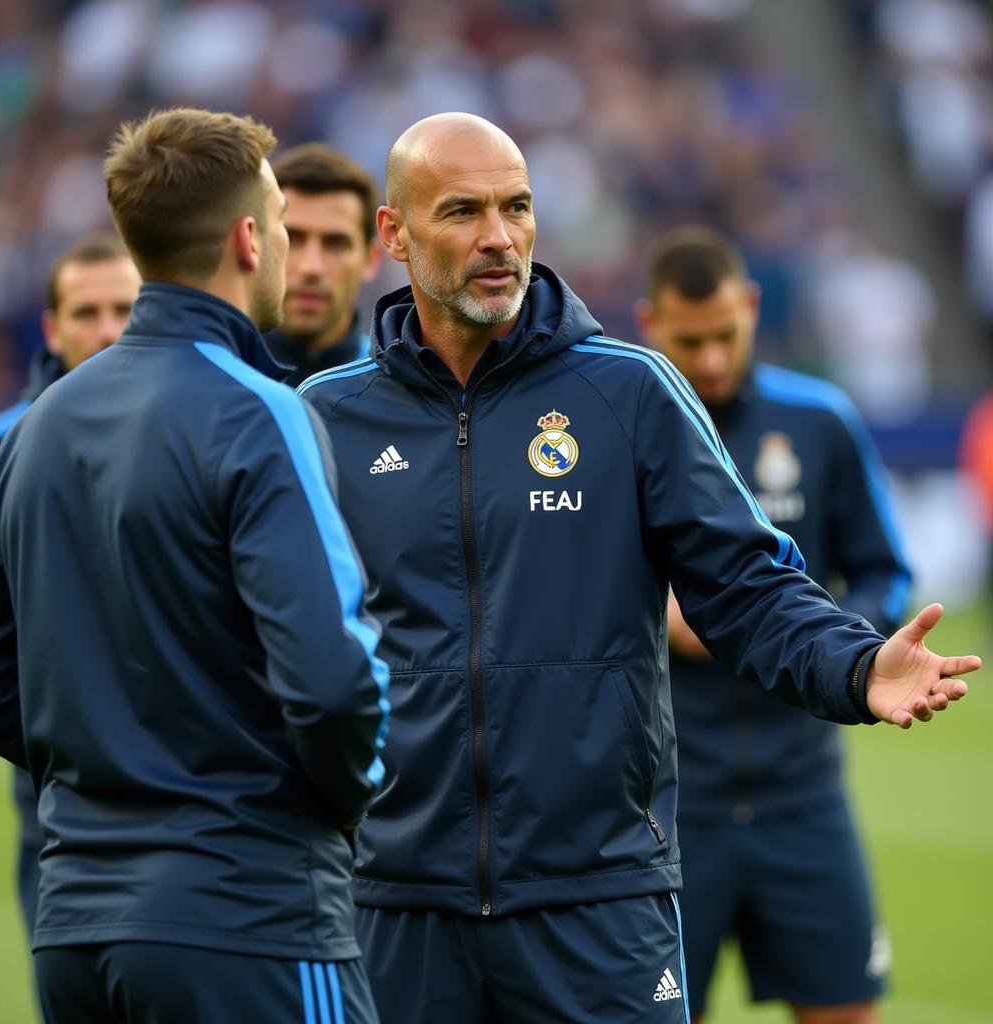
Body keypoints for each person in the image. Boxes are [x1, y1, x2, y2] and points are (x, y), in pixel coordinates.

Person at [296, 112, 979, 1024]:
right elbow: (276, 641)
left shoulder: (627, 393)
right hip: (393, 903)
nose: (498, 238)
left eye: (516, 207)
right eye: (462, 211)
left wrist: (855, 666)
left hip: (598, 896)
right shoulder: (322, 418)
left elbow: (748, 586)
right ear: (395, 235)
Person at [0, 107, 388, 1024]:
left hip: (73, 925)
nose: (286, 244)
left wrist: (101, 769)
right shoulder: (262, 412)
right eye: (280, 222)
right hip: (248, 915)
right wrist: (348, 804)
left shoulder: (29, 431)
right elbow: (330, 682)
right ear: (247, 238)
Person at [634, 224, 911, 1024]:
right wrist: (661, 615)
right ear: (650, 324)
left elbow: (883, 569)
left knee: (847, 1009)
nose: (713, 360)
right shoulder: (618, 427)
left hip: (803, 794)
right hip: (668, 812)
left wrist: (842, 647)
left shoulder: (819, 420)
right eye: (691, 342)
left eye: (726, 334)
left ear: (752, 306)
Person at [0, 235, 141, 965]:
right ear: (52, 328)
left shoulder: (191, 428)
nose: (106, 329)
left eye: (124, 310)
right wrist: (58, 745)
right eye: (87, 311)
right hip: (53, 790)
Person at [264, 142, 383, 386]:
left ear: (371, 259)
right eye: (292, 239)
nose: (311, 268)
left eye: (336, 243)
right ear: (256, 247)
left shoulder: (399, 388)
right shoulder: (214, 382)